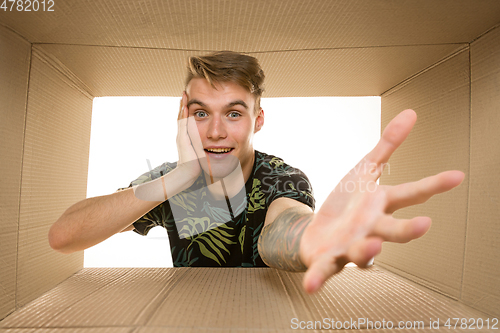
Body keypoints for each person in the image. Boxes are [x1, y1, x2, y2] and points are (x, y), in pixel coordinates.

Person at [49, 51, 465, 294]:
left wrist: (312, 239)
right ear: (184, 118)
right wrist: (173, 182)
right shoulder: (171, 180)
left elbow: (281, 229)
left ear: (258, 119)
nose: (214, 131)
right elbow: (64, 237)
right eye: (200, 113)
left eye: (233, 113)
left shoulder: (281, 177)